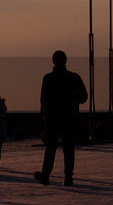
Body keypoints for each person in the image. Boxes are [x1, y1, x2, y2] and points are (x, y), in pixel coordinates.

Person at [34, 50, 87, 186]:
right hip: (63, 118)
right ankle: (65, 176)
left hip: (58, 118)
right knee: (64, 148)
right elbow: (83, 97)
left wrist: (42, 120)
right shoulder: (71, 77)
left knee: (55, 147)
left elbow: (43, 102)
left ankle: (52, 175)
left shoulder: (50, 78)